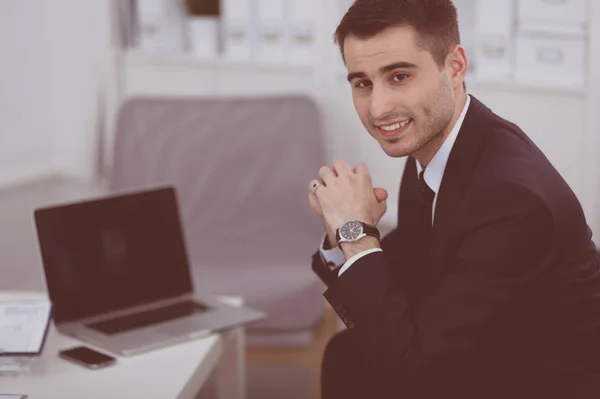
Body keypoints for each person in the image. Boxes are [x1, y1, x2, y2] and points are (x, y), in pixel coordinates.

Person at [307, 0, 600, 398]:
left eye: (399, 76)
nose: (378, 108)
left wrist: (354, 231)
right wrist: (344, 229)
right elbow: (409, 274)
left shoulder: (512, 201)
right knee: (345, 355)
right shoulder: (434, 149)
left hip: (535, 381)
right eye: (363, 83)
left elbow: (418, 376)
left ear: (455, 66)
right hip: (481, 350)